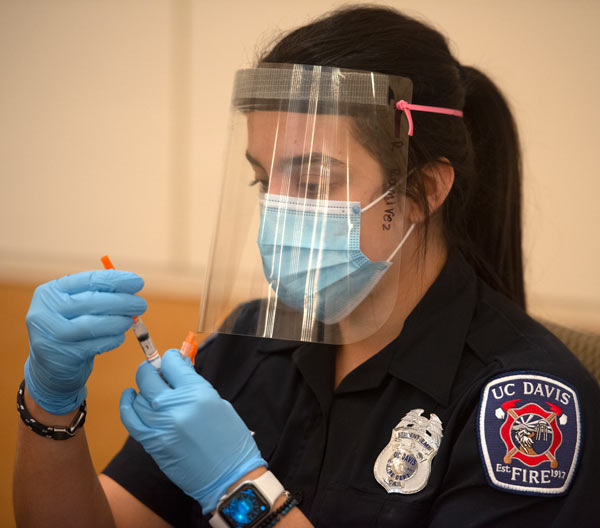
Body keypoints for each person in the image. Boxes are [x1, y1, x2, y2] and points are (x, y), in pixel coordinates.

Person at [13, 6, 600, 528]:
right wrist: (49, 404)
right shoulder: (249, 349)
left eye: (313, 180)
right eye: (264, 180)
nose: (278, 211)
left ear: (421, 190)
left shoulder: (520, 408)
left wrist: (239, 490)